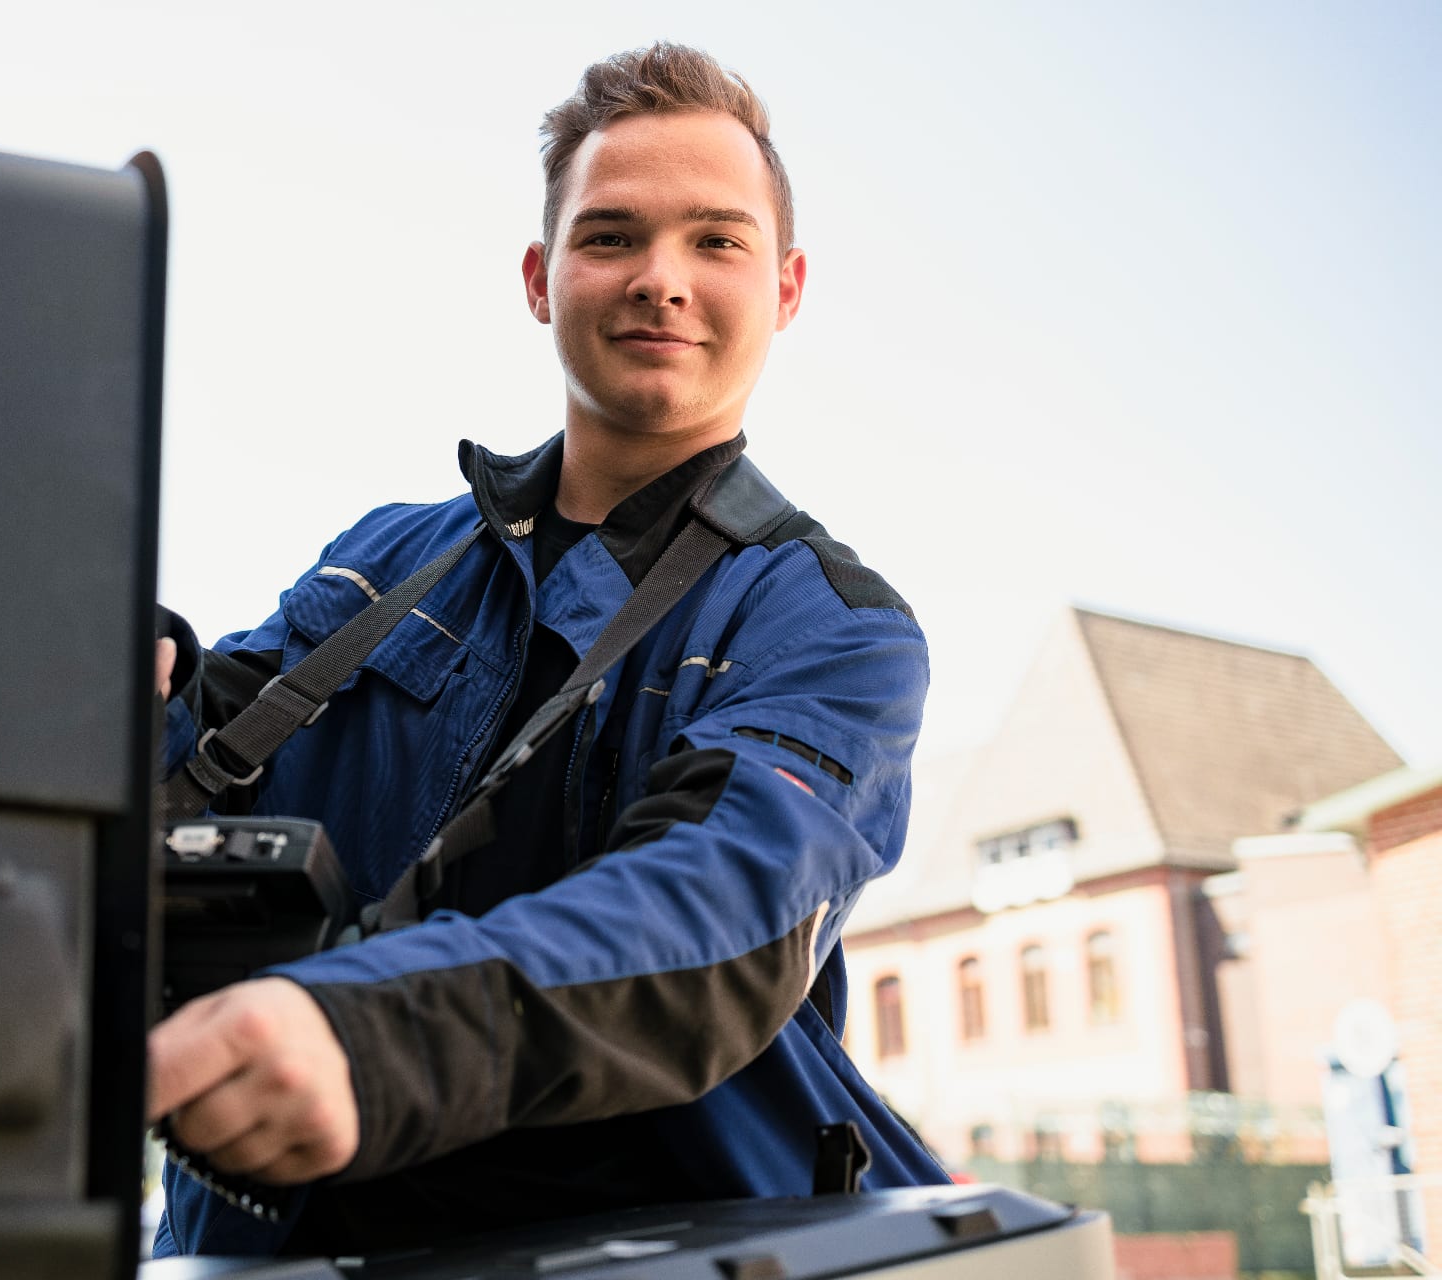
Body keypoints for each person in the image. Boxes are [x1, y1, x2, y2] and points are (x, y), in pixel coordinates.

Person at [145, 42, 947, 1258]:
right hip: (253, 1245)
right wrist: (96, 686)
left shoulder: (832, 627)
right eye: (610, 236)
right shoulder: (381, 560)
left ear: (784, 289)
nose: (659, 280)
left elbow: (717, 909)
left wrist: (368, 1034)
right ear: (539, 276)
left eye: (714, 241)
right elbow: (191, 768)